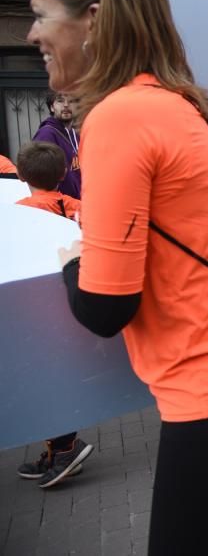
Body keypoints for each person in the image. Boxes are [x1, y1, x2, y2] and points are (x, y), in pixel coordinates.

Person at [32, 0, 208, 554]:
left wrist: (73, 261)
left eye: (43, 14)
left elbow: (106, 305)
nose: (32, 34)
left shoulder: (119, 117)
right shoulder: (173, 100)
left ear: (94, 19)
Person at [13, 141, 92, 488]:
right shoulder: (76, 207)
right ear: (63, 174)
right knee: (63, 376)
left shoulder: (18, 214)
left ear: (20, 175)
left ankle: (63, 450)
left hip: (32, 314)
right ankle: (60, 447)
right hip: (71, 303)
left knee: (43, 380)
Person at [32, 92, 81, 198]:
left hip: (79, 205)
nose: (66, 105)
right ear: (52, 107)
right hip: (61, 208)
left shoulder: (76, 133)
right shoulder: (46, 134)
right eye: (60, 101)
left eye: (71, 101)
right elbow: (41, 179)